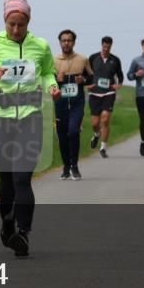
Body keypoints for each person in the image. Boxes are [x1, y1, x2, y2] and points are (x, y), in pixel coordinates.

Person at [0, 0, 59, 258]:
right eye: (11, 24)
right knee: (6, 179)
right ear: (4, 21)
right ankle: (8, 224)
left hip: (31, 117)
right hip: (0, 117)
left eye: (21, 24)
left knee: (22, 177)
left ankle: (23, 233)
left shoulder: (40, 46)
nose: (16, 30)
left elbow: (49, 72)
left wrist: (52, 86)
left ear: (29, 22)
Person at [53, 29, 93, 180]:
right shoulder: (54, 61)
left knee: (73, 132)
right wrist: (57, 79)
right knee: (62, 137)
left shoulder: (83, 59)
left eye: (69, 40)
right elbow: (49, 81)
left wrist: (83, 80)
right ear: (60, 42)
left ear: (74, 42)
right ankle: (65, 166)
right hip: (60, 103)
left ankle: (74, 166)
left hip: (77, 102)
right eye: (64, 40)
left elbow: (92, 77)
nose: (66, 43)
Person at [87, 36, 124, 158]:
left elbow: (120, 75)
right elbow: (86, 73)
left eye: (108, 46)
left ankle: (103, 147)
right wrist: (87, 83)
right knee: (95, 123)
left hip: (109, 92)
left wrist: (118, 84)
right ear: (101, 45)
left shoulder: (115, 60)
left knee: (106, 119)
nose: (106, 48)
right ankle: (97, 134)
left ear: (111, 46)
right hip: (94, 93)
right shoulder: (93, 58)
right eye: (104, 46)